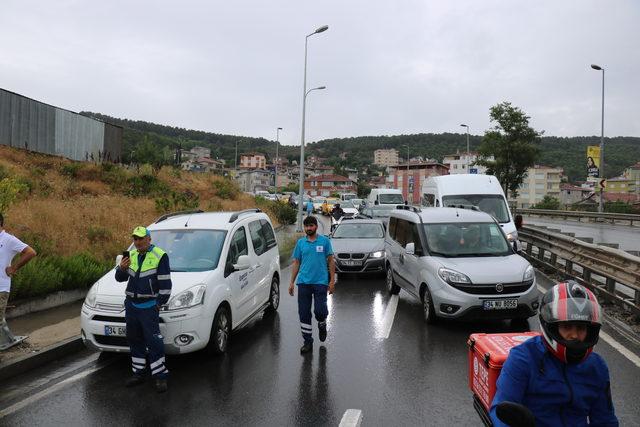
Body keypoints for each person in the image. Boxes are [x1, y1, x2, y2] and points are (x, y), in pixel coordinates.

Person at [490, 281, 618, 426]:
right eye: (567, 326)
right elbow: (500, 412)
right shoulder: (523, 359)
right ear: (551, 326)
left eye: (581, 328)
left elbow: (605, 420)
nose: (574, 335)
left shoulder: (596, 367)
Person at [116, 226, 172, 393]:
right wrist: (122, 268)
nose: (138, 242)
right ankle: (138, 374)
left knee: (154, 341)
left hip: (149, 306)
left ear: (149, 239)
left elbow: (166, 284)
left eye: (141, 238)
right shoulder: (131, 255)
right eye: (135, 239)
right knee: (134, 339)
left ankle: (161, 377)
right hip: (131, 305)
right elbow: (119, 278)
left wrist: (158, 304)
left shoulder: (159, 255)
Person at [288, 216, 335, 354]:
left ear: (316, 226)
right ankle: (307, 341)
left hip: (320, 282)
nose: (309, 228)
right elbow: (296, 262)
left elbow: (331, 261)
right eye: (306, 226)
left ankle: (322, 323)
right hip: (303, 283)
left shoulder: (325, 241)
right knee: (304, 313)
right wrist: (291, 282)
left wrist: (332, 281)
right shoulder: (301, 243)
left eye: (311, 226)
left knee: (320, 311)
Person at [0, 213, 37, 346]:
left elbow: (31, 252)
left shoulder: (8, 239)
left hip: (1, 288)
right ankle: (6, 339)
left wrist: (14, 268)